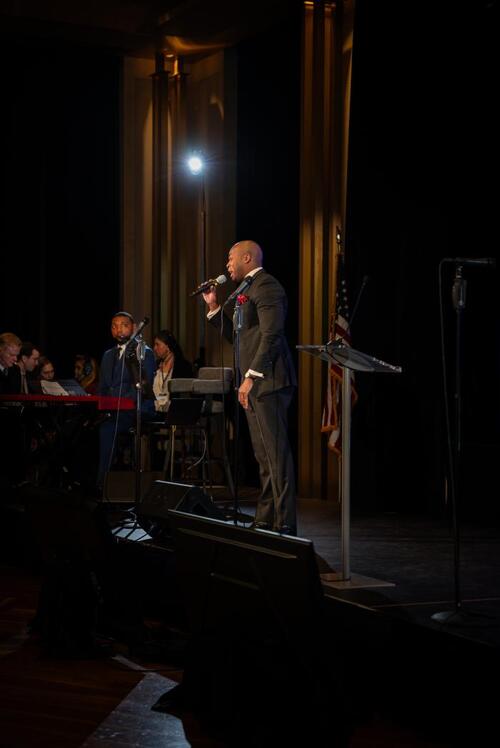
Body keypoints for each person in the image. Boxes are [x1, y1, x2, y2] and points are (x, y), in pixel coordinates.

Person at [203, 240, 297, 535]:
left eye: (230, 258)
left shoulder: (267, 286)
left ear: (247, 257)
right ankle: (267, 517)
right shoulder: (245, 290)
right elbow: (239, 338)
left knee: (276, 454)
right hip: (254, 384)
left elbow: (272, 335)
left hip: (269, 381)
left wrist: (251, 376)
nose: (227, 264)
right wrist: (214, 307)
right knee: (263, 456)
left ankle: (285, 522)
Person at [97, 311, 155, 491]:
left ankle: (103, 485)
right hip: (112, 410)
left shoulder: (143, 352)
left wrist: (120, 404)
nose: (118, 329)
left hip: (135, 409)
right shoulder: (108, 355)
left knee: (108, 429)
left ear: (134, 327)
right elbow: (103, 387)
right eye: (114, 326)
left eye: (124, 325)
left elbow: (143, 386)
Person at [152, 329, 193, 412]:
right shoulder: (155, 365)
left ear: (168, 346)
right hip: (154, 411)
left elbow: (186, 394)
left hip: (174, 411)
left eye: (157, 344)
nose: (154, 348)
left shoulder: (182, 367)